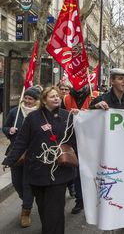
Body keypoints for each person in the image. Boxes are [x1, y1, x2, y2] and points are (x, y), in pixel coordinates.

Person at [2, 86, 77, 234]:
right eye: (52, 96)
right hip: (37, 171)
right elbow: (22, 142)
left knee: (54, 211)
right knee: (44, 210)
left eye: (57, 96)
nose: (56, 98)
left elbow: (76, 141)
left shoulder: (68, 116)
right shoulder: (32, 118)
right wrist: (9, 160)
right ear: (43, 100)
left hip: (59, 171)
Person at [2, 87, 40, 228]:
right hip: (16, 153)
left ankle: (26, 212)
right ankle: (28, 200)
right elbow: (5, 127)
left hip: (32, 154)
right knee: (17, 182)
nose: (27, 101)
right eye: (26, 98)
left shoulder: (38, 114)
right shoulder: (15, 112)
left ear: (36, 101)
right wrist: (9, 130)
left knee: (27, 183)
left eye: (31, 99)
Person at [62, 85, 99, 214]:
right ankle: (80, 201)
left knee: (91, 172)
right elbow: (61, 117)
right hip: (73, 140)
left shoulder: (96, 96)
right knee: (77, 173)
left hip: (91, 141)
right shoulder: (66, 98)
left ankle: (93, 199)